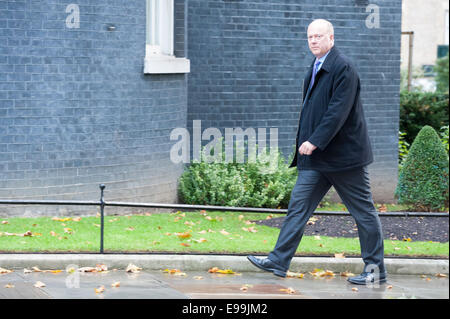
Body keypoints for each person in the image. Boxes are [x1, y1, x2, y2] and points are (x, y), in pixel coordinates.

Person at [247, 19, 386, 285]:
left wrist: (314, 141)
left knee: (364, 213)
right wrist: (308, 146)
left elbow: (338, 111)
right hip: (317, 160)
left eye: (318, 36)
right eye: (310, 37)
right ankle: (278, 259)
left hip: (345, 159)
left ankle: (375, 270)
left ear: (331, 38)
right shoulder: (317, 65)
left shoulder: (343, 68)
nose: (313, 41)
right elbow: (312, 109)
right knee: (298, 208)